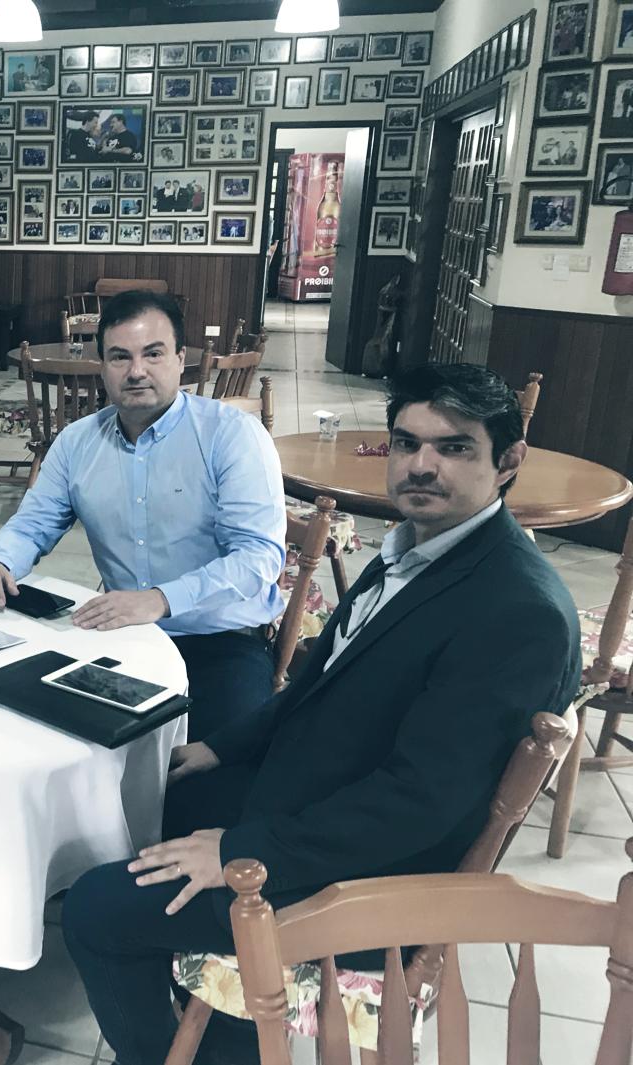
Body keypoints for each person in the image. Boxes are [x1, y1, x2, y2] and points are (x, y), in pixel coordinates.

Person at [61, 364, 581, 1065]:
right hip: (321, 791)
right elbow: (318, 685)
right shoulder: (418, 549)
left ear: (508, 461)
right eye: (407, 442)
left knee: (94, 908)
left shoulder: (516, 611)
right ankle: (225, 1025)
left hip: (371, 878)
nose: (421, 465)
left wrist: (239, 851)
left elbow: (419, 806)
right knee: (151, 800)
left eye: (455, 447)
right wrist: (222, 747)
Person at [0, 290, 286, 740]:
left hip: (222, 641)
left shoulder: (231, 436)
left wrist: (161, 599)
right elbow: (33, 524)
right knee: (36, 732)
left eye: (153, 354)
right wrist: (0, 562)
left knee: (217, 769)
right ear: (102, 367)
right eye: (120, 357)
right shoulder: (77, 442)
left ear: (180, 360)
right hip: (123, 636)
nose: (136, 371)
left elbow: (258, 560)